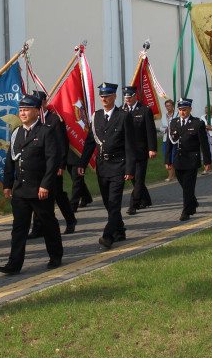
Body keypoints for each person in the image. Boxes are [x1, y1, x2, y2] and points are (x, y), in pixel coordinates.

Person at [0, 94, 63, 275]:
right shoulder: (16, 133)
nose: (22, 113)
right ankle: (14, 264)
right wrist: (7, 184)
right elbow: (10, 161)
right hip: (21, 190)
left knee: (48, 222)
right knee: (19, 228)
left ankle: (55, 255)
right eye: (20, 110)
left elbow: (52, 161)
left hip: (39, 189)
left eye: (26, 110)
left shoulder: (46, 132)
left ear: (36, 111)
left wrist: (46, 185)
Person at [80, 82, 136, 249]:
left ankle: (108, 236)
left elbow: (130, 145)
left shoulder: (123, 116)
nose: (104, 98)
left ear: (114, 97)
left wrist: (129, 168)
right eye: (102, 96)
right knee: (107, 203)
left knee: (114, 203)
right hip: (102, 166)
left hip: (118, 165)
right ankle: (120, 230)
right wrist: (82, 162)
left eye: (107, 95)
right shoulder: (96, 116)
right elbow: (90, 142)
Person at [28, 89, 76, 236]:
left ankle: (70, 220)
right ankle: (38, 227)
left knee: (57, 195)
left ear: (45, 103)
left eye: (39, 103)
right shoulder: (33, 122)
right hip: (38, 166)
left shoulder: (54, 120)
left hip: (53, 165)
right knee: (37, 196)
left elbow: (62, 144)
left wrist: (61, 165)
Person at [167, 98, 211, 221]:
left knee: (188, 186)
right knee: (183, 183)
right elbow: (170, 143)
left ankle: (186, 211)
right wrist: (167, 160)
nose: (182, 112)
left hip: (192, 159)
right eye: (180, 110)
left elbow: (204, 144)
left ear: (190, 109)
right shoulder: (173, 122)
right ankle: (192, 202)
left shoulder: (197, 123)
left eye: (185, 110)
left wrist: (207, 161)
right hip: (178, 160)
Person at [122, 86, 157, 215]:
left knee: (139, 178)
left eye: (130, 97)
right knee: (135, 180)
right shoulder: (122, 110)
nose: (128, 99)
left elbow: (150, 131)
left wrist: (152, 148)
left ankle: (133, 204)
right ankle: (146, 199)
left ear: (135, 96)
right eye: (126, 97)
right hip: (127, 151)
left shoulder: (144, 110)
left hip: (140, 150)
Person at [161, 99, 175, 181]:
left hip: (174, 139)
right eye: (166, 106)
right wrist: (164, 129)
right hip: (166, 139)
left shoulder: (176, 114)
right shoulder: (164, 115)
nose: (168, 107)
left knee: (173, 156)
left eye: (169, 105)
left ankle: (174, 174)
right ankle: (170, 175)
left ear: (172, 106)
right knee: (167, 157)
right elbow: (161, 127)